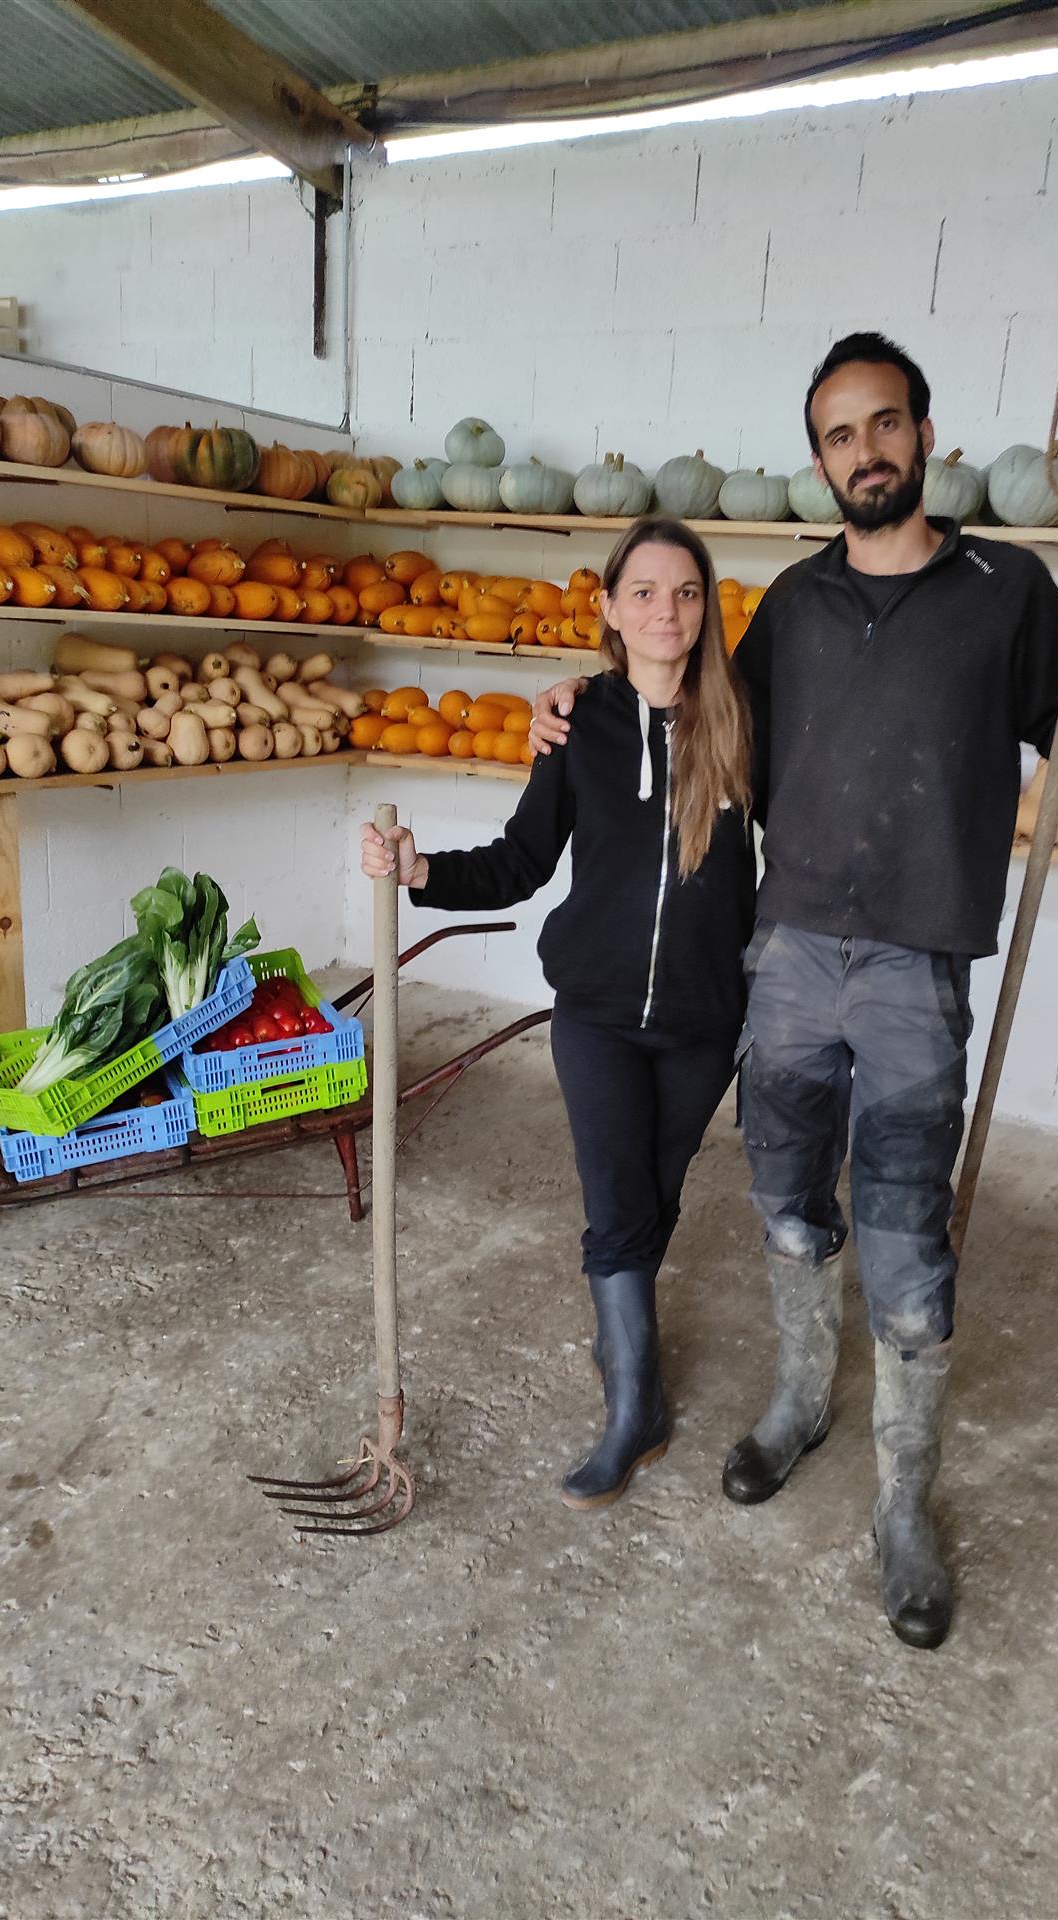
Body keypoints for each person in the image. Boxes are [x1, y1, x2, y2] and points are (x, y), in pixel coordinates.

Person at [529, 332, 1058, 1647]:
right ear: (821, 462)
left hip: (917, 964)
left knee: (909, 1232)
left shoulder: (1009, 589)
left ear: (926, 435)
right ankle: (803, 1398)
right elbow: (694, 716)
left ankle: (904, 1507)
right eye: (839, 436)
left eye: (884, 425)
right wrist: (573, 708)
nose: (864, 452)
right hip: (789, 956)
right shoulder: (791, 609)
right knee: (789, 1194)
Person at [361, 516, 756, 1511]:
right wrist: (419, 873)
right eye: (644, 592)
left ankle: (618, 1333)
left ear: (704, 609)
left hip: (706, 1017)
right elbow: (521, 859)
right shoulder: (580, 724)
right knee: (615, 1199)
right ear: (609, 611)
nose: (665, 610)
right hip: (595, 1014)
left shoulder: (748, 721)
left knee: (655, 1197)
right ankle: (634, 1407)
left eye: (685, 592)